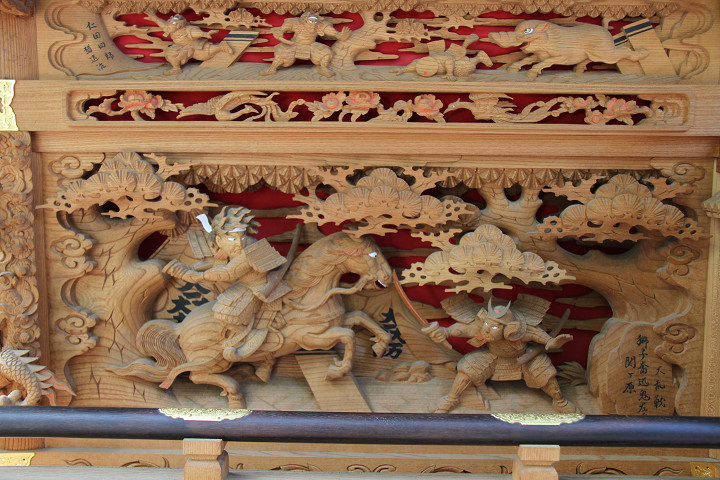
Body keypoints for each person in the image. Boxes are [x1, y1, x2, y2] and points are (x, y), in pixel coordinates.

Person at [163, 206, 288, 375]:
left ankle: (248, 337)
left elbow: (229, 272)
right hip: (244, 283)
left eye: (241, 236)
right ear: (219, 238)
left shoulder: (249, 248)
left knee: (227, 313)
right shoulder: (225, 244)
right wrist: (191, 268)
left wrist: (196, 276)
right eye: (231, 238)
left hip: (259, 285)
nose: (239, 243)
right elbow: (216, 262)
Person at [423, 293, 578, 413]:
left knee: (544, 371)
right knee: (467, 367)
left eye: (494, 327)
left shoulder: (521, 330)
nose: (486, 330)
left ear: (510, 328)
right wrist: (445, 331)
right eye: (486, 324)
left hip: (523, 358)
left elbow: (539, 336)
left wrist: (551, 342)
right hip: (492, 356)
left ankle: (560, 402)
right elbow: (466, 329)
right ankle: (451, 399)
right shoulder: (485, 326)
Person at [260, 11, 349, 77]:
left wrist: (339, 35)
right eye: (311, 21)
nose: (313, 24)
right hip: (294, 44)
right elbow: (281, 30)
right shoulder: (295, 23)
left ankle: (323, 68)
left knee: (327, 52)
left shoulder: (320, 25)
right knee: (281, 52)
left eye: (315, 22)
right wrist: (281, 35)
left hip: (311, 45)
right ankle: (272, 68)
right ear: (304, 21)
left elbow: (332, 32)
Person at [146, 9, 232, 75]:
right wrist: (154, 18)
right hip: (181, 46)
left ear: (179, 26)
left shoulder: (188, 29)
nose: (167, 27)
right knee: (170, 53)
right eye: (168, 25)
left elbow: (195, 33)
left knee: (205, 54)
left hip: (193, 46)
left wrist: (205, 34)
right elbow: (163, 25)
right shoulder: (171, 29)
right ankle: (176, 68)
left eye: (170, 26)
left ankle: (221, 47)